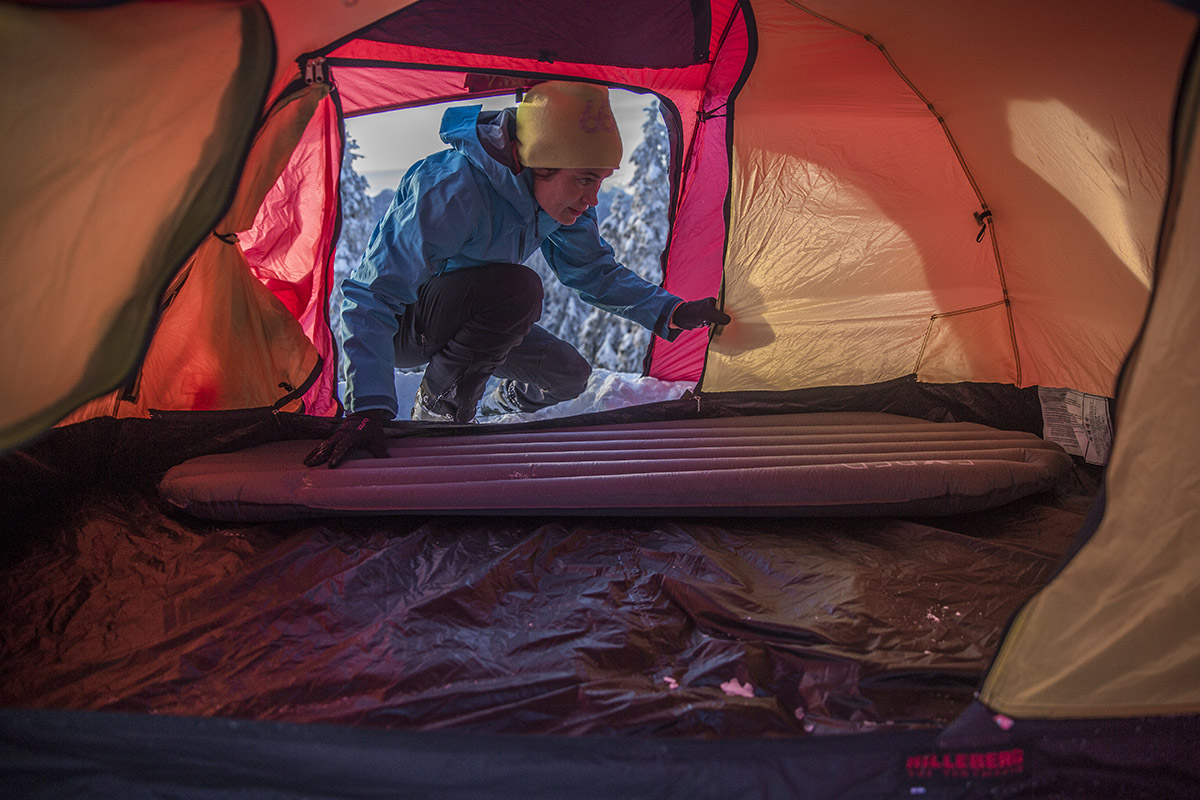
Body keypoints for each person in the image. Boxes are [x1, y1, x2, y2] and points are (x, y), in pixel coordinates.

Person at [306, 81, 730, 468]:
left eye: (600, 181)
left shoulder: (561, 200)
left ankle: (491, 405)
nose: (592, 197)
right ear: (542, 164)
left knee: (568, 375)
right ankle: (439, 412)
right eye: (585, 179)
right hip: (404, 323)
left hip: (474, 320)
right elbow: (370, 294)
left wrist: (671, 312)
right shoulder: (454, 189)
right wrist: (366, 408)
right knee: (517, 289)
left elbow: (593, 271)